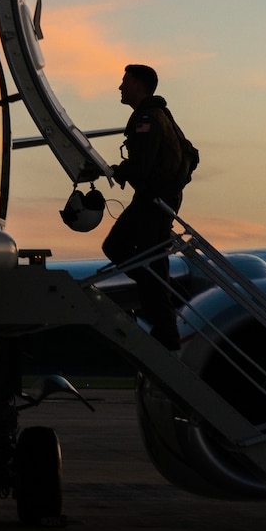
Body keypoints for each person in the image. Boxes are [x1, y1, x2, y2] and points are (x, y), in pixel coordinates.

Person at [102, 64, 187, 350]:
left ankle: (164, 321)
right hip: (159, 200)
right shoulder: (159, 115)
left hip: (153, 201)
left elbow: (143, 166)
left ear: (139, 85)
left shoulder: (147, 118)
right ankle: (160, 311)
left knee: (119, 248)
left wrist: (116, 172)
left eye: (125, 81)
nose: (120, 87)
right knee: (151, 261)